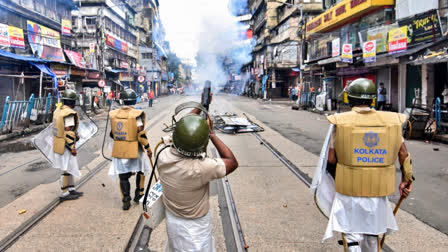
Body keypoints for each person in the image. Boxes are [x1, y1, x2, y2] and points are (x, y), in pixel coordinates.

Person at [324, 78, 414, 251]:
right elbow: (403, 153)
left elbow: (331, 159)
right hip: (378, 190)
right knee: (372, 232)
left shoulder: (340, 122)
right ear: (373, 99)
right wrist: (406, 180)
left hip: (348, 188)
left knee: (350, 232)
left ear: (350, 99)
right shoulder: (392, 121)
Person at [157, 93, 239, 251]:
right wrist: (211, 134)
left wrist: (200, 105)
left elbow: (181, 128)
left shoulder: (162, 152)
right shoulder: (201, 168)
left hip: (172, 219)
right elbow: (232, 162)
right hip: (195, 228)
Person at [108, 88, 152, 210]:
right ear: (134, 100)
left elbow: (112, 134)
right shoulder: (137, 115)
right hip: (135, 149)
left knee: (123, 176)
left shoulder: (114, 114)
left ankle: (126, 201)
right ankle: (139, 194)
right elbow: (141, 134)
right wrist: (148, 147)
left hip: (119, 149)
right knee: (142, 170)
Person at [51, 89, 83, 201]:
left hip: (58, 142)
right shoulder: (69, 114)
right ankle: (64, 193)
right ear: (73, 102)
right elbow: (68, 132)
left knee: (69, 167)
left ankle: (70, 188)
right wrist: (72, 148)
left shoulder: (58, 111)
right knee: (65, 168)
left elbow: (62, 128)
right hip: (65, 145)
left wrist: (76, 135)